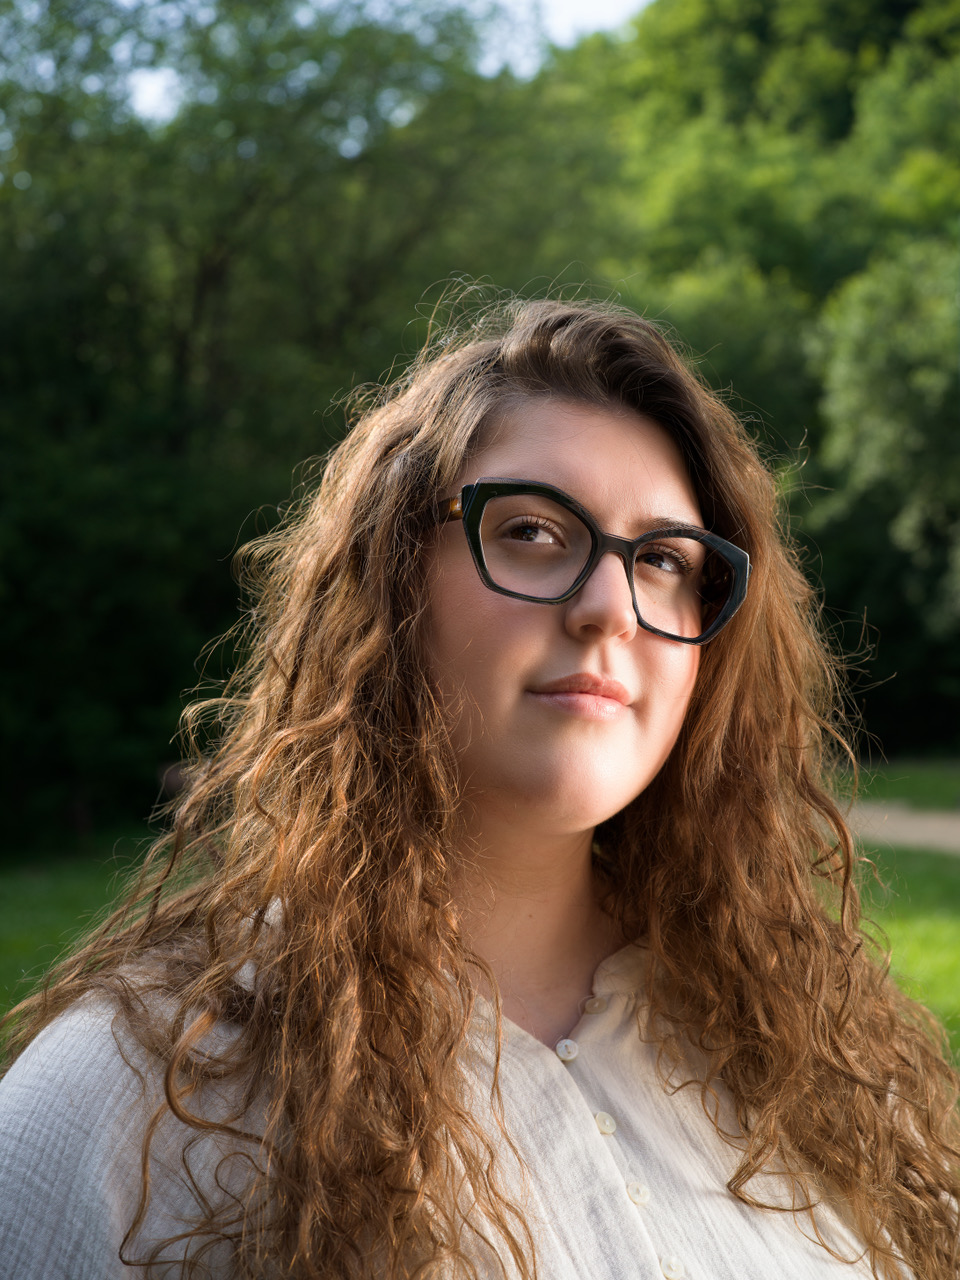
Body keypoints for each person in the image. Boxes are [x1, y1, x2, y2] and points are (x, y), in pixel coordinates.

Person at [0, 297, 957, 1280]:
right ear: (391, 577)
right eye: (534, 530)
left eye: (665, 559)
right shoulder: (130, 1092)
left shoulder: (820, 1067)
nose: (610, 607)